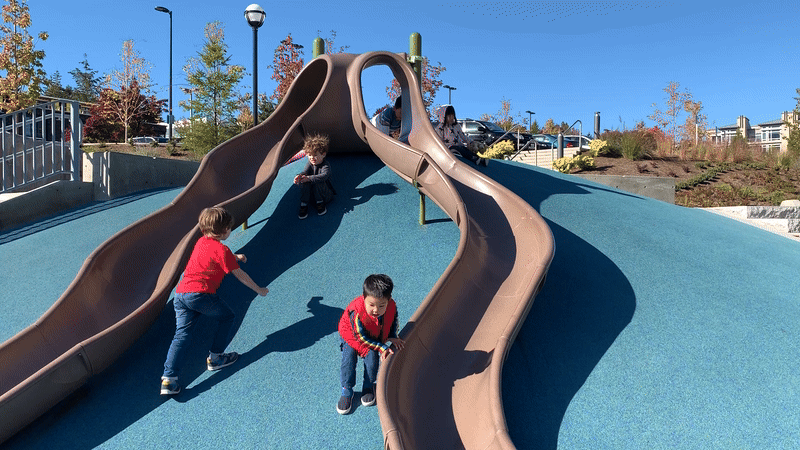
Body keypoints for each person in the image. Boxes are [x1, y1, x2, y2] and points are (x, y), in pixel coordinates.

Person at [160, 206, 269, 395]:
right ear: (226, 230)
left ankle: (169, 380)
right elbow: (240, 275)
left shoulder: (201, 242)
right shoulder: (222, 249)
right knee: (227, 317)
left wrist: (235, 257)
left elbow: (214, 257)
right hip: (200, 295)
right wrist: (259, 289)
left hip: (181, 295)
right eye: (230, 228)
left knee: (182, 335)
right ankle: (216, 357)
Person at [336, 274, 405, 415]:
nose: (376, 310)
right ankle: (347, 390)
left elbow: (393, 321)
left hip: (370, 335)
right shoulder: (357, 313)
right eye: (371, 305)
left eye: (381, 306)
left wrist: (393, 336)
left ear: (388, 300)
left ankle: (368, 386)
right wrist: (382, 346)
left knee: (372, 359)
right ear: (364, 298)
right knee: (349, 358)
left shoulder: (392, 306)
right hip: (352, 335)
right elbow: (360, 338)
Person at [293, 133, 336, 219]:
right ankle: (304, 204)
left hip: (325, 195)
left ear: (323, 154)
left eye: (315, 155)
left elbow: (324, 176)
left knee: (317, 181)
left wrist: (309, 178)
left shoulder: (325, 165)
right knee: (304, 181)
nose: (312, 158)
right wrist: (300, 176)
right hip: (313, 195)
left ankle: (320, 203)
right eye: (310, 155)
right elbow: (304, 172)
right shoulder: (310, 163)